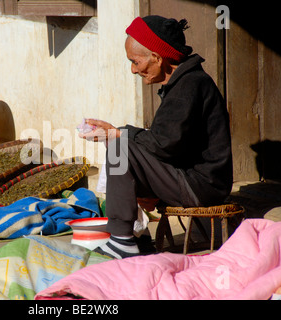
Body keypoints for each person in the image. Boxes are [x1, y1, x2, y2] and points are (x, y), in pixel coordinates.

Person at [79, 15, 233, 259]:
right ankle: (138, 237)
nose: (133, 69)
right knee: (123, 148)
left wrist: (118, 134)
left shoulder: (190, 85)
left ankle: (121, 239)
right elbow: (172, 143)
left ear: (158, 58)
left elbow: (164, 144)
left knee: (120, 147)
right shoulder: (184, 83)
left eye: (135, 61)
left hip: (202, 186)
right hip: (191, 177)